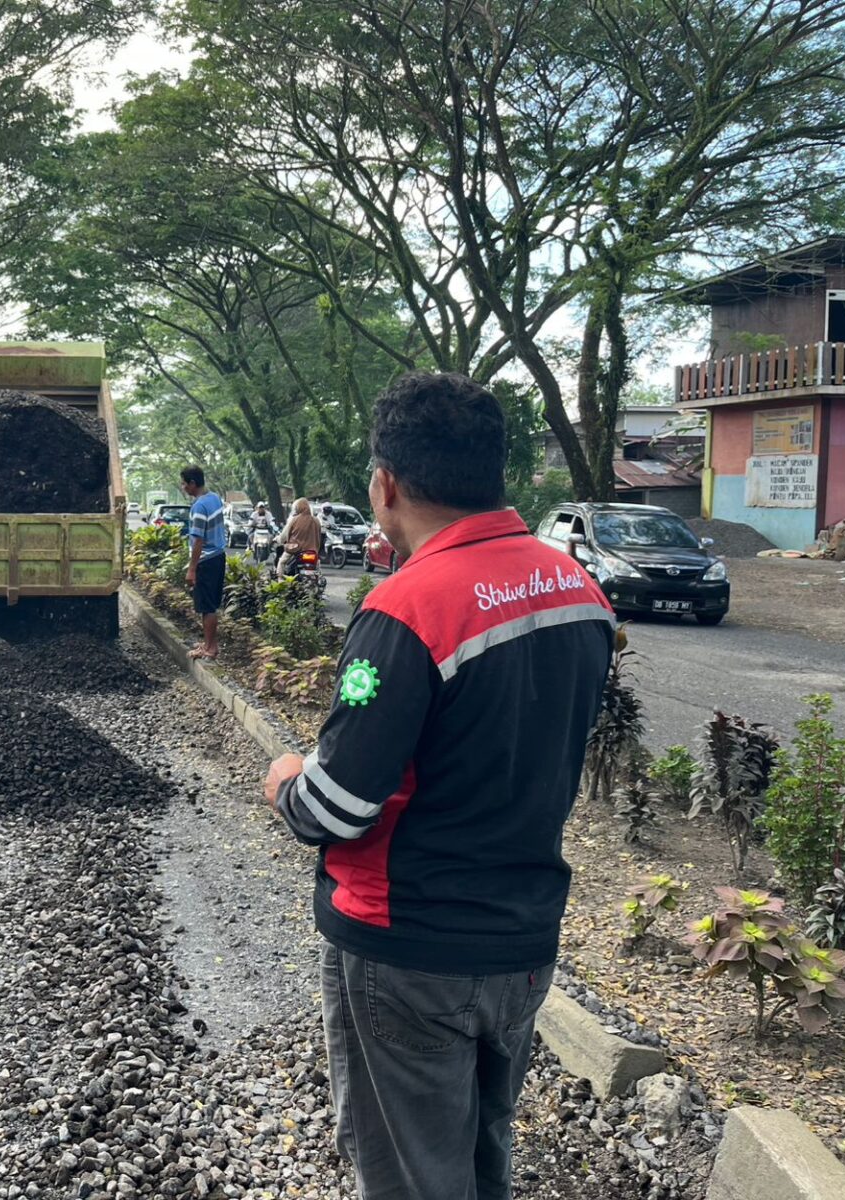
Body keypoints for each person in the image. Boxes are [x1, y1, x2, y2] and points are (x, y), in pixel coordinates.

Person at [262, 372, 615, 1200]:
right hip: (523, 943)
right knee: (483, 1156)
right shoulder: (578, 593)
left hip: (410, 947)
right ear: (497, 473)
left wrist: (285, 780)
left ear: (386, 486)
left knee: (414, 1175)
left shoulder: (405, 609)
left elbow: (335, 806)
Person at [180, 465, 225, 660]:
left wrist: (192, 569)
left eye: (184, 483)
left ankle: (210, 649)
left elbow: (198, 540)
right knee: (210, 605)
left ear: (192, 483)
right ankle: (208, 644)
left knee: (206, 606)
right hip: (218, 556)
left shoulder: (199, 506)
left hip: (206, 561)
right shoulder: (214, 498)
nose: (183, 487)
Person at [276, 498, 323, 575]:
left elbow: (283, 536)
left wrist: (278, 539)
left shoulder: (294, 520)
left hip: (295, 549)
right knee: (317, 565)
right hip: (312, 550)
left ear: (297, 508)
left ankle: (280, 581)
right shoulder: (316, 521)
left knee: (282, 562)